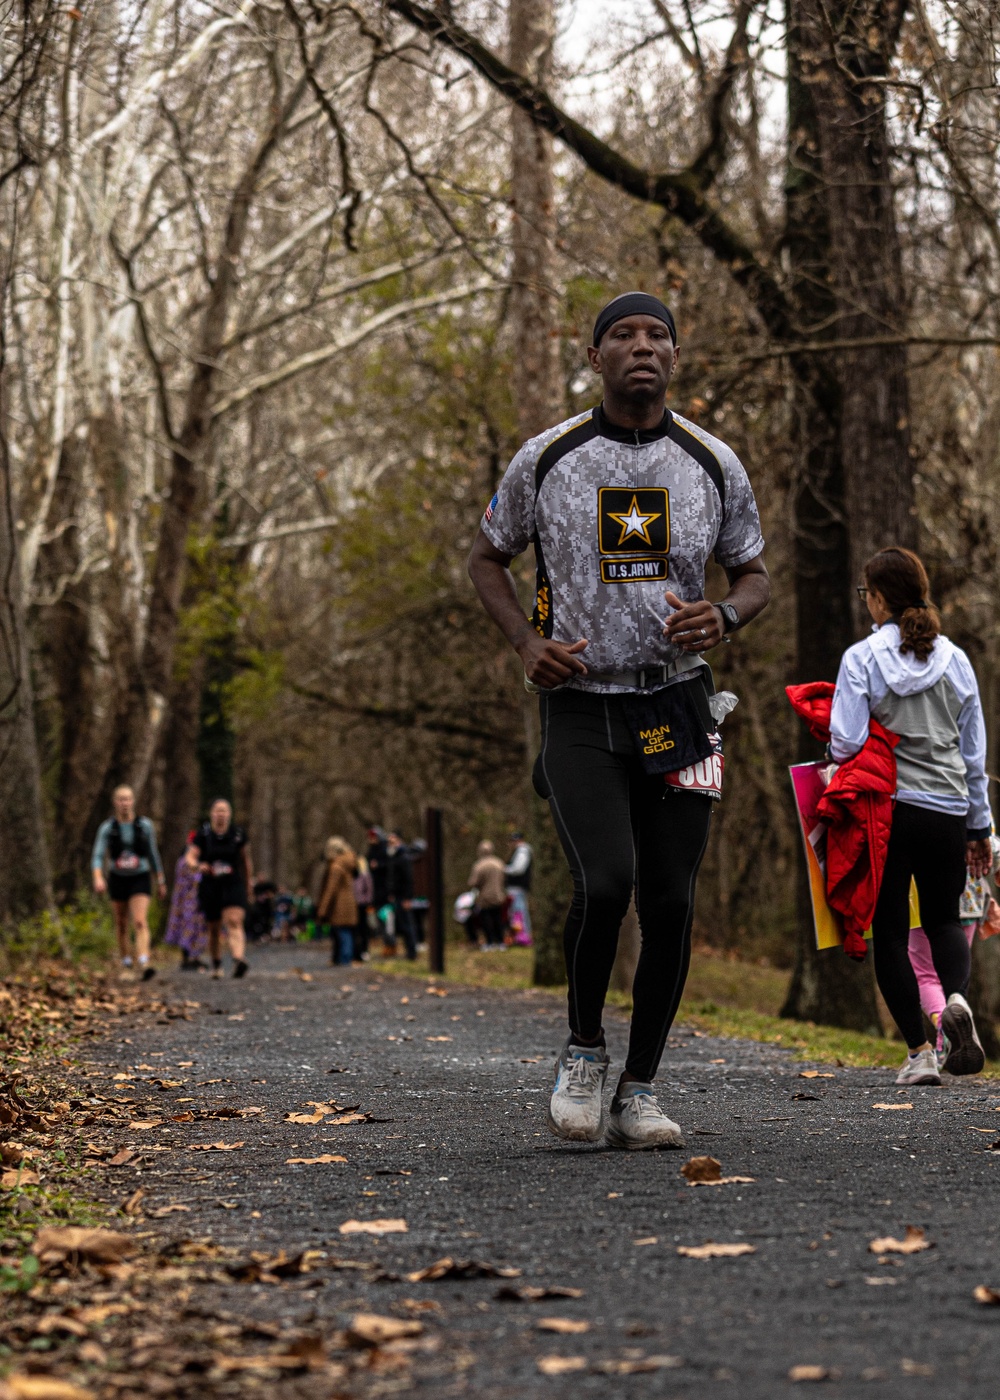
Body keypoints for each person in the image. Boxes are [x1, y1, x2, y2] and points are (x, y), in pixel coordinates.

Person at [468, 291, 769, 1148]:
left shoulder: (713, 462)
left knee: (671, 901)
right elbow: (486, 556)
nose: (643, 347)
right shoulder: (549, 456)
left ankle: (640, 1088)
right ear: (595, 355)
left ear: (675, 356)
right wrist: (527, 643)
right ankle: (583, 1052)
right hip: (581, 706)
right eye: (624, 336)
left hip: (679, 702)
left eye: (658, 336)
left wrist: (727, 616)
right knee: (606, 883)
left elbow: (753, 574)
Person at [830, 547, 991, 1086]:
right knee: (945, 919)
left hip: (888, 811)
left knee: (892, 932)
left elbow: (846, 741)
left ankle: (921, 1051)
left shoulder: (862, 660)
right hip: (947, 810)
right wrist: (980, 826)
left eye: (866, 595)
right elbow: (974, 755)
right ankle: (957, 1001)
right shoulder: (957, 661)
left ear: (877, 599)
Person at [909, 831, 1000, 1053]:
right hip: (970, 900)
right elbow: (992, 846)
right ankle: (956, 1027)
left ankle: (946, 1030)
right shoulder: (976, 806)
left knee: (925, 976)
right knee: (953, 976)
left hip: (922, 899)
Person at [92, 785, 167, 980]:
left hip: (140, 877)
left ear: (133, 801)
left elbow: (153, 854)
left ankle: (144, 959)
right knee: (121, 923)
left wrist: (160, 880)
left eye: (128, 799)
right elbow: (98, 856)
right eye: (121, 799)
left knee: (140, 920)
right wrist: (98, 877)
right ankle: (126, 961)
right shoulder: (108, 828)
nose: (125, 803)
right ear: (115, 803)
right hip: (117, 878)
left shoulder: (145, 826)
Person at [186, 799, 253, 979]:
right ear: (212, 814)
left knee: (234, 921)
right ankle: (216, 965)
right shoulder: (203, 834)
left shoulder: (237, 834)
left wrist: (248, 885)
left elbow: (245, 861)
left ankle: (238, 958)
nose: (221, 815)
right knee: (214, 928)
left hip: (232, 883)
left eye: (224, 811)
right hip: (210, 885)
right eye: (218, 811)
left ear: (230, 814)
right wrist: (197, 866)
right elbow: (190, 857)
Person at [164, 830, 208, 970]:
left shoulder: (200, 861)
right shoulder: (184, 861)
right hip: (185, 902)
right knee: (186, 928)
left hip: (199, 902)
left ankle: (195, 957)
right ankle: (186, 958)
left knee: (199, 929)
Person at [317, 837, 359, 965]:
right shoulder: (349, 862)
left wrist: (322, 909)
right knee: (345, 932)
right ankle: (343, 958)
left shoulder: (336, 866)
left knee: (341, 932)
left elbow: (331, 889)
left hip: (338, 904)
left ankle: (344, 959)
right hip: (350, 901)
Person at [468, 840, 508, 949]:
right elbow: (505, 879)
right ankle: (501, 942)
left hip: (485, 898)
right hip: (499, 896)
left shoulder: (479, 865)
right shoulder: (499, 863)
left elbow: (472, 882)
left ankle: (490, 942)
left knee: (486, 920)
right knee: (498, 919)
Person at [385, 831, 417, 960]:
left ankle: (411, 952)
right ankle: (409, 951)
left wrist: (407, 898)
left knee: (407, 925)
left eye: (392, 841)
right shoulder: (395, 857)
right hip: (398, 896)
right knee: (403, 925)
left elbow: (408, 879)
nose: (390, 845)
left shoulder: (403, 857)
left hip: (403, 897)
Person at [505, 830, 534, 946]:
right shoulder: (520, 851)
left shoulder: (522, 851)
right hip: (517, 888)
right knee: (518, 913)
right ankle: (519, 937)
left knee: (519, 913)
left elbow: (518, 869)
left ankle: (523, 938)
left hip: (517, 888)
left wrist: (504, 869)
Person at [352, 855, 374, 961]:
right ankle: (357, 951)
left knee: (363, 929)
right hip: (354, 905)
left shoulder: (365, 875)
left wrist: (367, 902)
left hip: (363, 905)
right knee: (356, 929)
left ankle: (364, 950)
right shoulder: (353, 875)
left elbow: (369, 890)